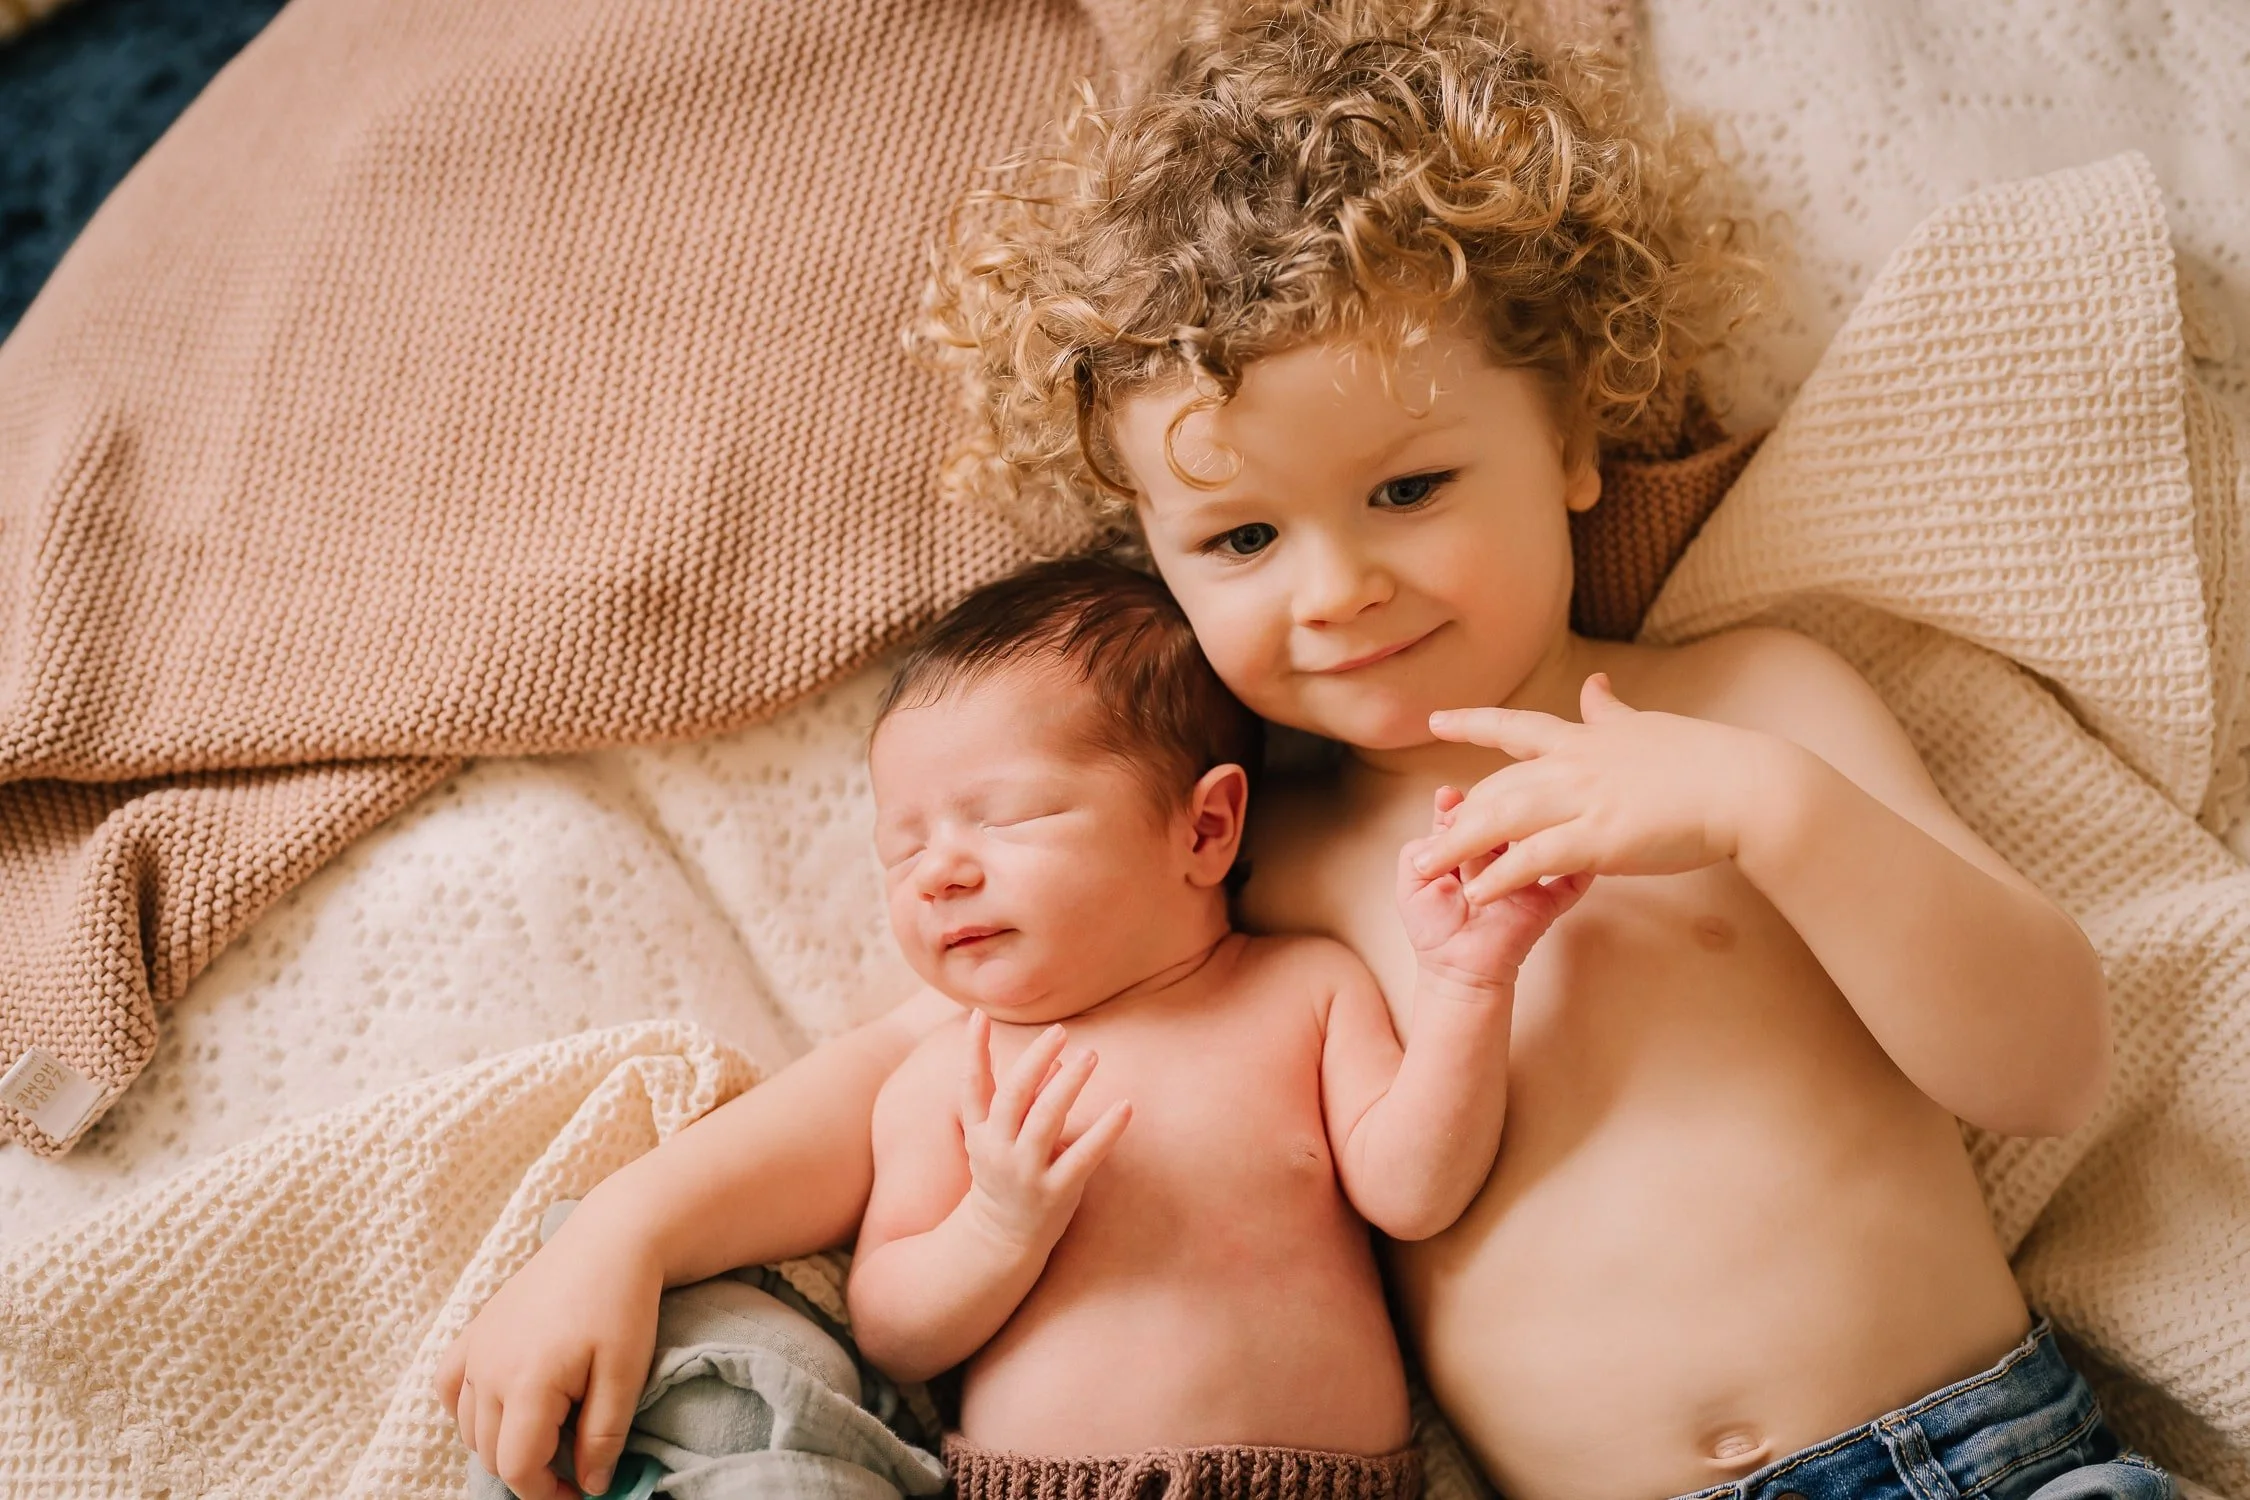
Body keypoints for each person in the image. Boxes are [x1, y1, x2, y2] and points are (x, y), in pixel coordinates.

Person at [441, 5, 2165, 1499]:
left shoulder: (1747, 709)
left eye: (1408, 490)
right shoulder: (1245, 855)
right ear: (1158, 555)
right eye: (1243, 543)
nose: (1337, 591)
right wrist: (624, 1236)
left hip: (1977, 1458)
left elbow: (2043, 1063)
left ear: (1569, 434)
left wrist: (1767, 818)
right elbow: (903, 1070)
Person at [848, 558, 1583, 1497]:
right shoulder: (955, 1073)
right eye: (900, 848)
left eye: (1005, 819)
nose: (935, 874)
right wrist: (996, 1226)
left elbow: (1414, 1193)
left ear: (1204, 829)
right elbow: (894, 1333)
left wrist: (1465, 983)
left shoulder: (1301, 992)